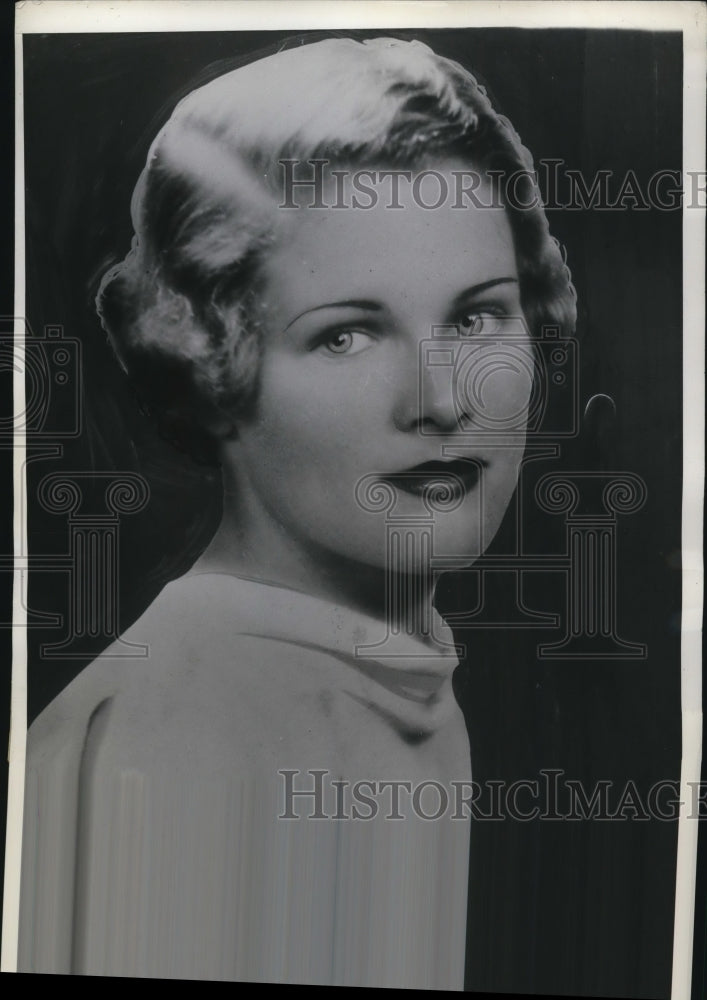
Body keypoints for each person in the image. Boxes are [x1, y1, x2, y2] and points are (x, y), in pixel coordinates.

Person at [18, 36, 576, 986]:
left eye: (477, 316)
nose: (441, 400)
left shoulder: (375, 671)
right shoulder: (180, 734)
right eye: (348, 334)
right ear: (212, 361)